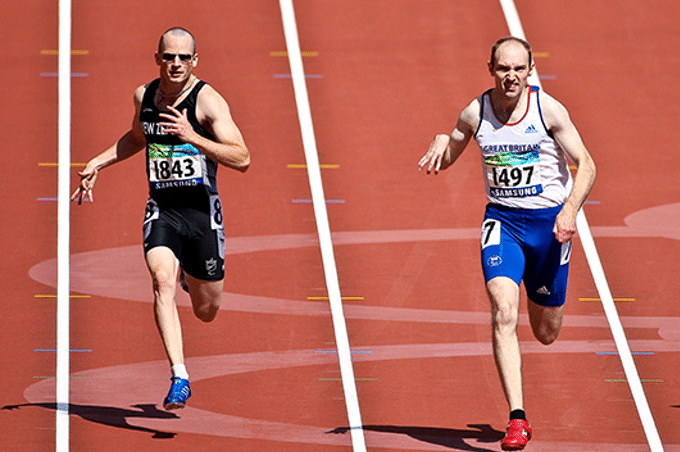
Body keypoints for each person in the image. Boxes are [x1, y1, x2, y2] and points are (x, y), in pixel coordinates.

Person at [418, 36, 596, 450]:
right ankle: (517, 418)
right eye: (503, 69)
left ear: (530, 70)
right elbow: (450, 151)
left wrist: (569, 210)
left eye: (519, 69)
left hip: (550, 228)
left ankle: (545, 297)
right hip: (503, 222)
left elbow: (587, 163)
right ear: (491, 69)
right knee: (502, 310)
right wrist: (442, 140)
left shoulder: (548, 110)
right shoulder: (476, 112)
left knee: (546, 331)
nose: (511, 76)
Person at [72, 27, 250, 411]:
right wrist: (98, 162)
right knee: (161, 280)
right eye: (169, 57)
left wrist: (194, 136)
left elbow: (242, 158)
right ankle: (179, 376)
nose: (176, 64)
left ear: (195, 61)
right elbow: (138, 137)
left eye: (184, 58)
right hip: (163, 211)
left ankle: (193, 275)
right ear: (157, 59)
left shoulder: (207, 103)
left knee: (206, 311)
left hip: (202, 215)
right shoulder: (145, 96)